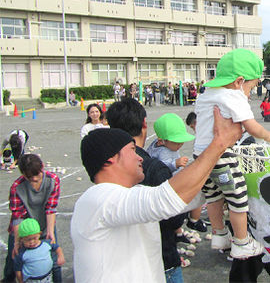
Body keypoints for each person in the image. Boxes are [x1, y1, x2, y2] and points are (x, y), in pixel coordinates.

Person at [71, 107, 242, 282]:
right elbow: (164, 200)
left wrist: (226, 184)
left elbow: (188, 197)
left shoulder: (132, 193)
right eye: (131, 150)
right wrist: (219, 144)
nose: (139, 157)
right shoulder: (97, 200)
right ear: (110, 160)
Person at [193, 48, 270, 259]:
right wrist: (266, 135)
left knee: (213, 196)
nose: (251, 91)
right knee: (237, 196)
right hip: (221, 156)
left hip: (200, 156)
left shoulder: (207, 94)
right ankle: (241, 242)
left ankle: (219, 234)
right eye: (253, 85)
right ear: (239, 81)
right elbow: (251, 126)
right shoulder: (232, 96)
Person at [104, 98, 193, 282]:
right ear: (145, 124)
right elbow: (174, 216)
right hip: (160, 259)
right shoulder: (154, 168)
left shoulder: (105, 166)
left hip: (122, 260)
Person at [3, 154, 62, 283]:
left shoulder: (53, 180)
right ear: (23, 174)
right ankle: (8, 279)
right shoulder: (17, 187)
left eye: (37, 175)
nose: (35, 179)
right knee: (15, 258)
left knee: (54, 260)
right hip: (23, 228)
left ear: (43, 167)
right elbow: (17, 216)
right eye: (30, 177)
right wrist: (18, 241)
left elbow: (51, 208)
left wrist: (50, 231)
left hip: (45, 224)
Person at [14, 218, 65, 283]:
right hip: (31, 280)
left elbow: (57, 247)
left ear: (39, 234)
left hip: (47, 278)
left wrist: (61, 256)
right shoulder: (21, 253)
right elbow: (18, 270)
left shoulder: (46, 244)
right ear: (21, 239)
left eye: (34, 238)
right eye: (28, 240)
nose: (32, 242)